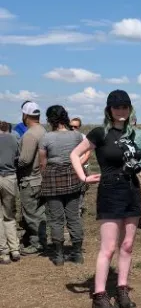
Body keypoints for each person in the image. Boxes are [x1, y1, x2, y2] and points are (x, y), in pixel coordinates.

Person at [70, 90, 141, 308]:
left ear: (130, 108)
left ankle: (122, 290)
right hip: (110, 191)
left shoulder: (133, 134)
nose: (121, 111)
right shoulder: (100, 133)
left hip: (132, 190)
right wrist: (82, 177)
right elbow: (75, 154)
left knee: (128, 244)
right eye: (117, 107)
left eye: (125, 107)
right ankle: (99, 297)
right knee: (109, 247)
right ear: (109, 109)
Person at [40, 106, 85, 266]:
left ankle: (58, 256)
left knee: (56, 218)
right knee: (74, 217)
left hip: (52, 179)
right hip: (73, 176)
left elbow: (42, 162)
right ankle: (78, 254)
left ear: (50, 119)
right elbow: (85, 152)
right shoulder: (76, 135)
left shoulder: (46, 138)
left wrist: (44, 175)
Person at [17, 101, 47, 255]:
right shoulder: (43, 130)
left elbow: (25, 160)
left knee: (31, 215)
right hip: (41, 178)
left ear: (25, 115)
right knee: (40, 213)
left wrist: (12, 162)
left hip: (30, 179)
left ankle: (37, 245)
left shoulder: (30, 134)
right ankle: (42, 240)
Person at [0, 121, 20, 264]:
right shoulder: (14, 139)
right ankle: (15, 249)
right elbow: (18, 158)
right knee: (10, 215)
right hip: (10, 177)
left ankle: (3, 251)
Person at [69, 117, 92, 217]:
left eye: (75, 126)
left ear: (79, 127)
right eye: (71, 126)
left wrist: (78, 165)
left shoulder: (83, 137)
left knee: (81, 190)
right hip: (70, 167)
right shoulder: (67, 137)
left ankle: (78, 211)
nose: (73, 128)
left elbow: (87, 154)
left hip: (82, 166)